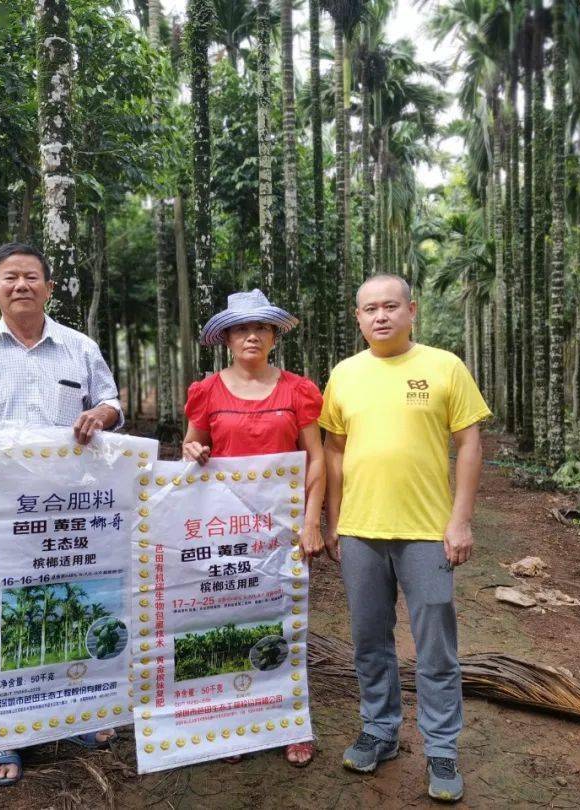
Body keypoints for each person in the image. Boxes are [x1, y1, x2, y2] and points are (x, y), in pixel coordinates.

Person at [0, 242, 124, 786]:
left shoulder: (79, 347)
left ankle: (83, 713)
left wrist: (100, 414)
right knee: (5, 612)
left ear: (48, 286)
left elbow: (114, 402)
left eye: (32, 277)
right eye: (10, 277)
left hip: (70, 507)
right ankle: (5, 735)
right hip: (2, 512)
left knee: (76, 602)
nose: (22, 285)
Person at [319, 274, 490, 803]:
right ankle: (380, 730)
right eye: (370, 309)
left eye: (391, 306)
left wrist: (460, 520)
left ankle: (441, 747)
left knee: (436, 647)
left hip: (426, 534)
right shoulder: (344, 374)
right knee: (370, 641)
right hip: (361, 532)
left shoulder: (444, 367)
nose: (381, 316)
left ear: (412, 309)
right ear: (358, 317)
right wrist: (333, 521)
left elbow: (469, 444)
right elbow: (334, 452)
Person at [181, 289, 327, 768]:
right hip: (223, 531)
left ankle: (288, 722)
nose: (251, 336)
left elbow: (317, 458)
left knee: (284, 619)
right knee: (227, 618)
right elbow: (192, 446)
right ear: (226, 338)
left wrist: (311, 521)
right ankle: (233, 725)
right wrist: (193, 452)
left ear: (272, 337)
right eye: (241, 328)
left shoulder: (298, 389)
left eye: (260, 328)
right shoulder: (206, 392)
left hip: (282, 532)